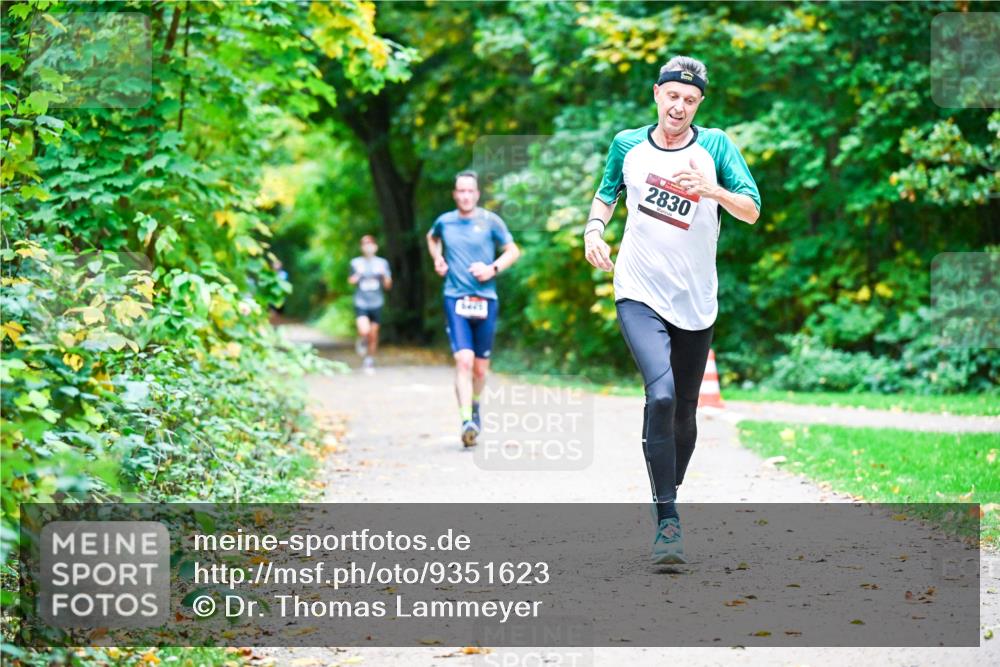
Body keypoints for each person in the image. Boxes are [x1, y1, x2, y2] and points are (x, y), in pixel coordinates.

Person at [583, 56, 761, 564]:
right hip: (638, 289)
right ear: (656, 94)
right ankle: (668, 521)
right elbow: (605, 195)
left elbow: (751, 210)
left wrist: (714, 190)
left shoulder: (717, 147)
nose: (679, 106)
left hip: (695, 300)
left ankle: (668, 490)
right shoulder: (627, 145)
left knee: (684, 410)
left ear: (698, 103)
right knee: (659, 398)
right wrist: (593, 229)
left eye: (690, 99)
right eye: (672, 96)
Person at [427, 170, 521, 447]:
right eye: (461, 191)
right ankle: (466, 419)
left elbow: (513, 251)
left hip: (485, 300)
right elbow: (432, 238)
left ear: (477, 194)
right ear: (455, 194)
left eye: (470, 191)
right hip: (455, 297)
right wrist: (438, 258)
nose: (466, 196)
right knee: (463, 360)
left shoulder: (490, 221)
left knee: (480, 369)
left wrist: (492, 268)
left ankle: (476, 406)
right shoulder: (444, 222)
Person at [349, 235, 392, 374]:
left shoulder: (382, 263)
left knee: (373, 334)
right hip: (361, 301)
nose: (368, 247)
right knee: (364, 331)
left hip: (377, 302)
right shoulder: (356, 263)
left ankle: (369, 359)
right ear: (361, 248)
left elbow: (388, 285)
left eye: (370, 244)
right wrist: (358, 275)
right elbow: (350, 281)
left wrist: (383, 275)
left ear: (375, 246)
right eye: (365, 244)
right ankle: (362, 339)